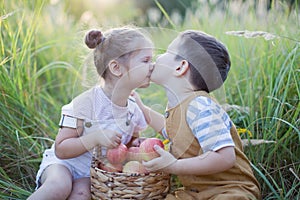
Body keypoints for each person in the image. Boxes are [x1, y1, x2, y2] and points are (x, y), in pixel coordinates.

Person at [28, 27, 154, 200]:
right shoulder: (86, 104)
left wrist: (137, 148)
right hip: (64, 164)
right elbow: (61, 148)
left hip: (89, 173)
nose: (152, 66)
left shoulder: (133, 109)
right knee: (59, 186)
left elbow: (131, 142)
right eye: (146, 60)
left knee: (82, 195)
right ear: (116, 68)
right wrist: (94, 138)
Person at [135, 30, 261, 199]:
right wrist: (142, 109)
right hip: (195, 193)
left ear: (180, 67)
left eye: (167, 51)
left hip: (230, 189)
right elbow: (171, 132)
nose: (158, 56)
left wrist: (174, 165)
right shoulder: (179, 107)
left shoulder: (200, 106)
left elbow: (225, 157)